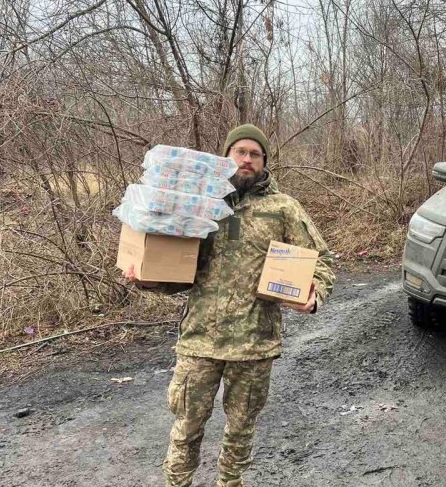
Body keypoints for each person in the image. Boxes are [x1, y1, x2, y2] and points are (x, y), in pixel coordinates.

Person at [125, 123, 335, 487]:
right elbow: (177, 269)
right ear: (226, 157)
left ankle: (230, 482)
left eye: (255, 153)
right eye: (240, 151)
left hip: (254, 344)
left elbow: (321, 260)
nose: (247, 159)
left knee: (241, 430)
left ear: (265, 161)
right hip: (200, 340)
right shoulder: (197, 204)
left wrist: (314, 294)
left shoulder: (283, 208)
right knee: (186, 426)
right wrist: (149, 277)